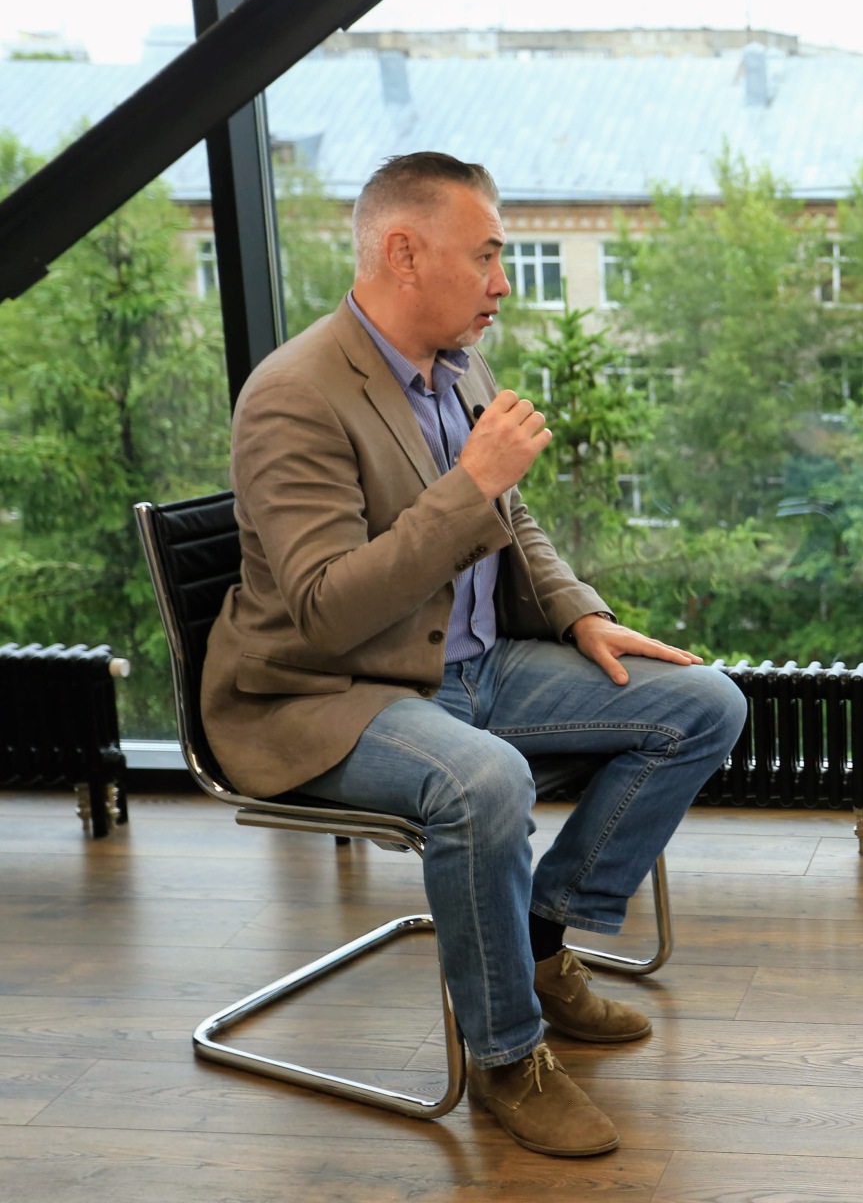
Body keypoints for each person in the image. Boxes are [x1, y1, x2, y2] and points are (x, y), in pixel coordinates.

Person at [202, 151, 748, 1157]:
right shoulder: (294, 395)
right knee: (484, 780)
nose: (503, 282)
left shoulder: (459, 365)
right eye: (487, 255)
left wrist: (579, 615)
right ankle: (506, 1057)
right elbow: (323, 611)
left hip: (479, 669)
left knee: (705, 702)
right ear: (404, 254)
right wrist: (470, 485)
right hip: (336, 693)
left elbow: (511, 518)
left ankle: (537, 941)